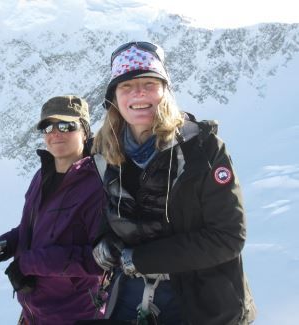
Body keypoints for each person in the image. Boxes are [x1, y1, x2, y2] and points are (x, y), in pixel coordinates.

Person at [91, 42, 257, 324]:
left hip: (200, 300)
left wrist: (142, 259)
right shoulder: (104, 153)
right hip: (131, 295)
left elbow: (228, 236)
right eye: (126, 86)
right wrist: (103, 242)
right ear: (114, 99)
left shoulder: (202, 148)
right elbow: (110, 215)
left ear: (165, 91)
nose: (139, 93)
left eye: (149, 83)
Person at [0, 95, 105, 325]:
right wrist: (8, 243)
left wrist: (29, 263)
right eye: (47, 126)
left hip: (77, 315)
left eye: (66, 125)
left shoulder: (96, 184)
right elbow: (35, 227)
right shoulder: (42, 175)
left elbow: (101, 260)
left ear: (85, 131)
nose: (55, 133)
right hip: (33, 313)